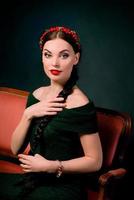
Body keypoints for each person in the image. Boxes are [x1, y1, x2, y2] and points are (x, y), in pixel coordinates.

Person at [0, 26, 103, 200]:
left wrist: (51, 166)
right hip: (32, 180)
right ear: (42, 57)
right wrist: (28, 114)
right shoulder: (36, 95)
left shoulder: (81, 104)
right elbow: (15, 148)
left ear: (75, 58)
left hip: (63, 188)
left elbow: (95, 160)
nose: (54, 63)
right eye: (48, 55)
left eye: (64, 55)